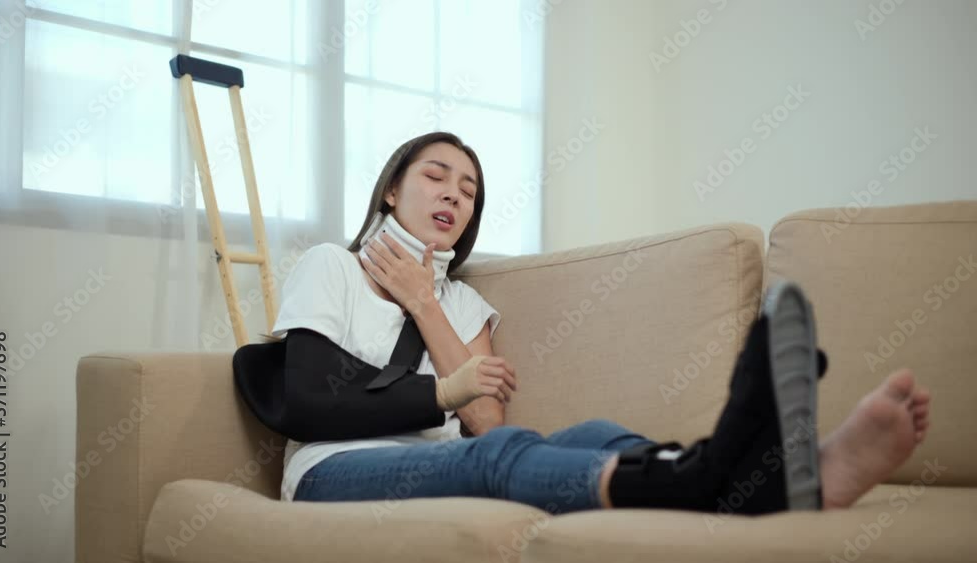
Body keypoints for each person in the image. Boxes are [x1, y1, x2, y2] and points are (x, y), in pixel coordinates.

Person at [269, 131, 931, 514]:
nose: (453, 194)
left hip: (441, 456)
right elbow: (305, 403)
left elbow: (486, 421)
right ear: (392, 189)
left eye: (468, 191)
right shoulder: (332, 266)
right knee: (496, 458)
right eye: (436, 176)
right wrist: (443, 384)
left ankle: (777, 483)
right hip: (333, 471)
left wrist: (424, 302)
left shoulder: (462, 304)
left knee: (590, 433)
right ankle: (707, 477)